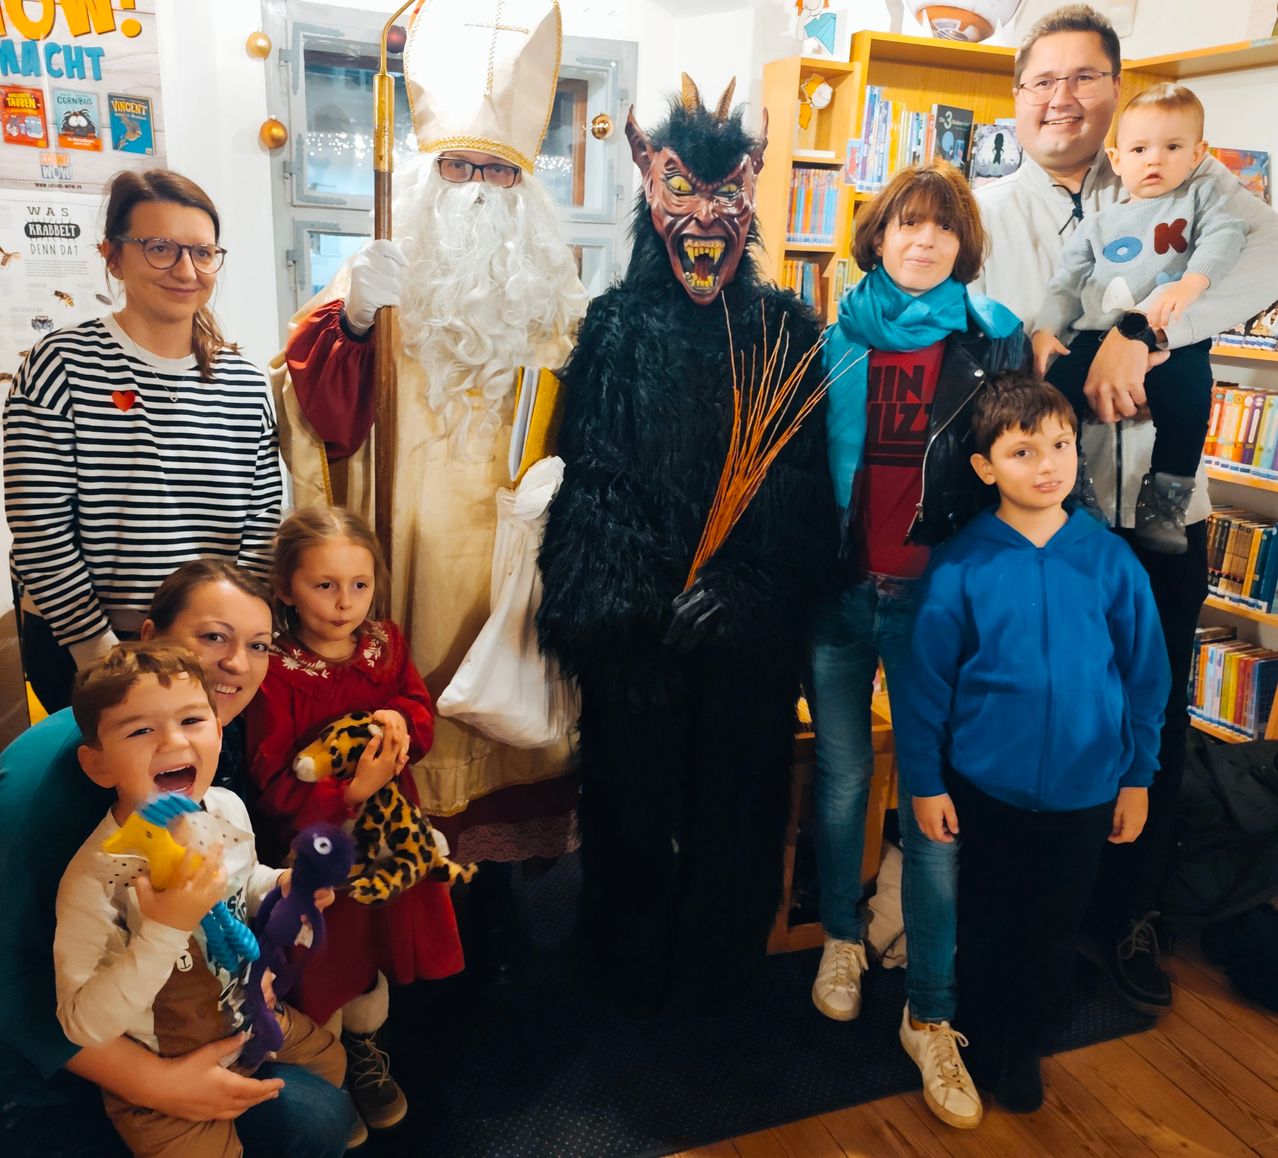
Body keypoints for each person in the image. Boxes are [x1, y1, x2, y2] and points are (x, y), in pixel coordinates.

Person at [972, 2, 1278, 1016]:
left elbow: (1261, 256)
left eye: (1084, 78)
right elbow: (968, 351)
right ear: (1017, 99)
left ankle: (1131, 913)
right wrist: (1053, 349)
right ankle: (1030, 921)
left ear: (1116, 86)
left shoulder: (1187, 176)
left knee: (1150, 710)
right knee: (1045, 708)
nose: (1063, 98)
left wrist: (1143, 328)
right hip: (1041, 517)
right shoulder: (982, 210)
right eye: (1042, 81)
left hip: (1162, 510)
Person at [273, 0, 586, 915]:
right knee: (409, 740)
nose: (480, 185)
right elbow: (314, 411)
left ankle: (494, 918)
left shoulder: (556, 299)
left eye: (498, 168)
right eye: (461, 165)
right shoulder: (376, 278)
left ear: (526, 187)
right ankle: (408, 921)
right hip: (403, 562)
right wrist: (355, 322)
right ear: (429, 174)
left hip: (512, 569)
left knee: (507, 741)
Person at [536, 74, 839, 1013]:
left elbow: (803, 486)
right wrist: (632, 604)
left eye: (725, 194)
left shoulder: (787, 330)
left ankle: (717, 976)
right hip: (640, 639)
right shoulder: (614, 329)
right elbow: (587, 474)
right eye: (682, 191)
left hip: (745, 641)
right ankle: (622, 967)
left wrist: (747, 589)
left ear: (751, 198)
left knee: (738, 803)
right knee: (629, 802)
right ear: (648, 190)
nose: (705, 219)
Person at [0, 560, 356, 1158]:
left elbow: (238, 885)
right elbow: (17, 981)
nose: (239, 665)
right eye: (213, 636)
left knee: (325, 1109)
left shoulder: (207, 781)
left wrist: (279, 891)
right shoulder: (56, 795)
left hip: (205, 1013)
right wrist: (155, 1084)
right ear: (150, 641)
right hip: (46, 1058)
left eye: (259, 645)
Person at [811, 162, 1028, 1130]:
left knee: (933, 808)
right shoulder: (833, 339)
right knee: (845, 783)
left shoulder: (991, 341)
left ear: (961, 245)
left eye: (942, 228)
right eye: (907, 223)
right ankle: (842, 938)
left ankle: (932, 1013)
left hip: (934, 607)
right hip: (840, 596)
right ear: (879, 234)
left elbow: (1020, 467)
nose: (923, 240)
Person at [895, 372, 1169, 1112]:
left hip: (1088, 789)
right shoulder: (960, 565)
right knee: (984, 922)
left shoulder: (1111, 560)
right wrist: (924, 781)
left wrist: (1137, 776)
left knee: (1054, 926)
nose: (1048, 464)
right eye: (1023, 451)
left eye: (1060, 445)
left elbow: (1147, 677)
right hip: (989, 788)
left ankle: (1027, 1046)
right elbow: (925, 686)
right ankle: (982, 1035)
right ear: (986, 467)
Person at [4, 169, 284, 715]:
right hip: (84, 640)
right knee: (98, 795)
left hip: (207, 647)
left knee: (191, 794)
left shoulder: (245, 381)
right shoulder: (59, 363)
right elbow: (39, 527)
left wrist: (234, 645)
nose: (185, 270)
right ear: (113, 255)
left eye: (203, 253)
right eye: (160, 248)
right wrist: (100, 653)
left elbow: (261, 527)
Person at [245, 506, 463, 1136]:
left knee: (372, 946)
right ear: (286, 589)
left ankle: (363, 1049)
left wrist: (401, 723)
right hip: (318, 850)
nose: (345, 604)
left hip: (391, 835)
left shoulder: (384, 644)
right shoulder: (277, 673)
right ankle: (323, 1064)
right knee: (321, 959)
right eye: (325, 586)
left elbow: (420, 713)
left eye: (359, 585)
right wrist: (350, 793)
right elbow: (275, 782)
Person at [1032, 83, 1247, 553]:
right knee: (1054, 400)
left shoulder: (1201, 201)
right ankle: (1073, 487)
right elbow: (1066, 283)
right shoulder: (1098, 224)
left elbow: (1226, 237)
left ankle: (1167, 497)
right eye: (1139, 149)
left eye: (1172, 147)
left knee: (1190, 404)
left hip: (1173, 337)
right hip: (1093, 333)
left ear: (1197, 153)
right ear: (1116, 157)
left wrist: (1193, 283)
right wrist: (1045, 329)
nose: (1155, 160)